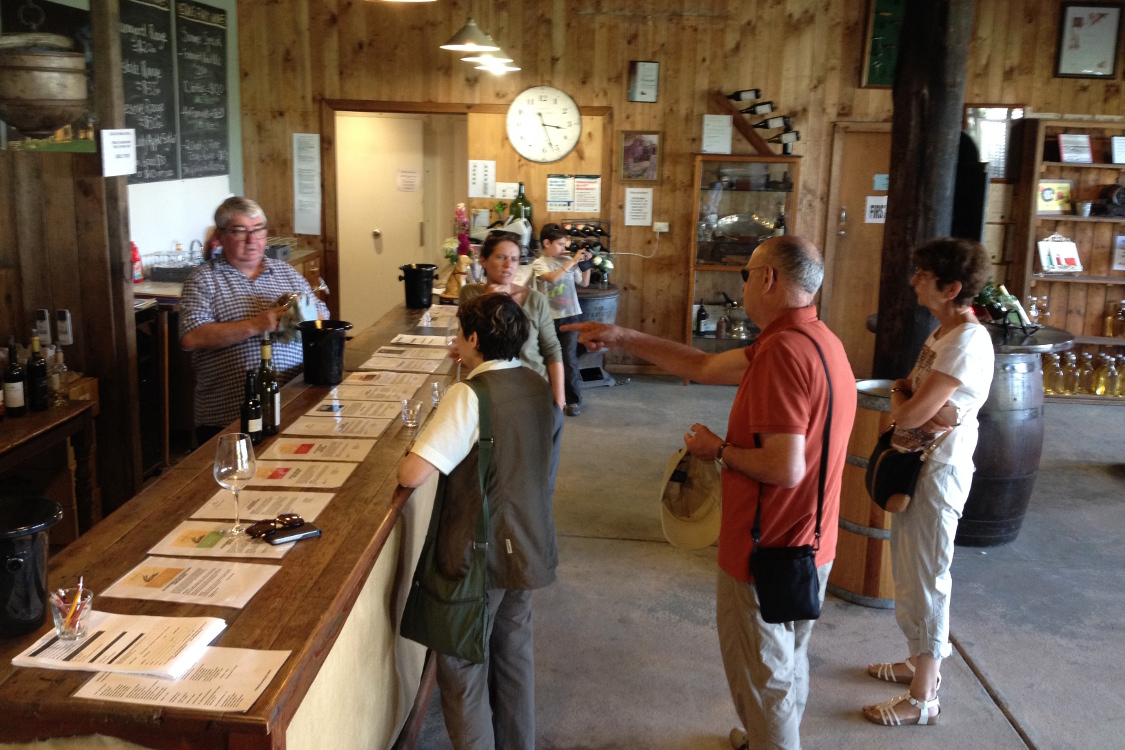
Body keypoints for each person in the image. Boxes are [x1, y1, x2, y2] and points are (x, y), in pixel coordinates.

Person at [563, 235, 856, 750]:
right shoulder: (817, 340)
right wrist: (623, 335)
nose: (743, 285)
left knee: (764, 680)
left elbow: (784, 467)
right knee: (786, 661)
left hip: (766, 549)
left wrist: (716, 449)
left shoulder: (782, 354)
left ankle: (771, 740)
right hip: (812, 544)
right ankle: (766, 737)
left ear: (768, 279)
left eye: (747, 274)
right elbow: (701, 366)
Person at [398, 292, 563, 749]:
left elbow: (412, 473)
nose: (455, 341)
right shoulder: (535, 383)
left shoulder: (470, 395)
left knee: (460, 666)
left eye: (458, 333)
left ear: (473, 338)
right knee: (513, 655)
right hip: (527, 543)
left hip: (480, 556)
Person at [861, 237, 993, 727]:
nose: (913, 280)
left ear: (951, 287)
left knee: (931, 579)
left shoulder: (965, 341)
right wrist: (910, 400)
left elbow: (910, 412)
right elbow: (914, 397)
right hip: (921, 465)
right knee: (910, 571)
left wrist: (904, 403)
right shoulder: (943, 333)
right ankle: (917, 662)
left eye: (923, 274)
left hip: (940, 470)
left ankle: (923, 699)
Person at [180, 197, 328, 443]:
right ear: (221, 236)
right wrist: (255, 325)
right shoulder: (203, 279)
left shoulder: (285, 271)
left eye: (258, 229)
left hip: (293, 404)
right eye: (240, 231)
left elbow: (324, 316)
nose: (252, 240)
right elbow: (192, 337)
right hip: (229, 417)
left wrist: (303, 314)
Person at [459, 231, 566, 409]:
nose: (508, 265)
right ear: (484, 260)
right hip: (489, 391)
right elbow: (469, 343)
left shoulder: (535, 299)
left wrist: (559, 401)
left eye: (514, 259)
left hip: (533, 388)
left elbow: (552, 349)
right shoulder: (471, 294)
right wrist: (489, 300)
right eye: (501, 257)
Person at [529, 223, 592, 416]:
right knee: (547, 358)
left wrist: (586, 264)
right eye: (560, 244)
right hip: (548, 319)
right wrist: (572, 262)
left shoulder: (567, 261)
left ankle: (573, 401)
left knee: (569, 359)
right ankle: (551, 398)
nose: (564, 248)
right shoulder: (539, 263)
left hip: (570, 316)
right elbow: (551, 278)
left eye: (565, 244)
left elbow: (584, 282)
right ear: (546, 243)